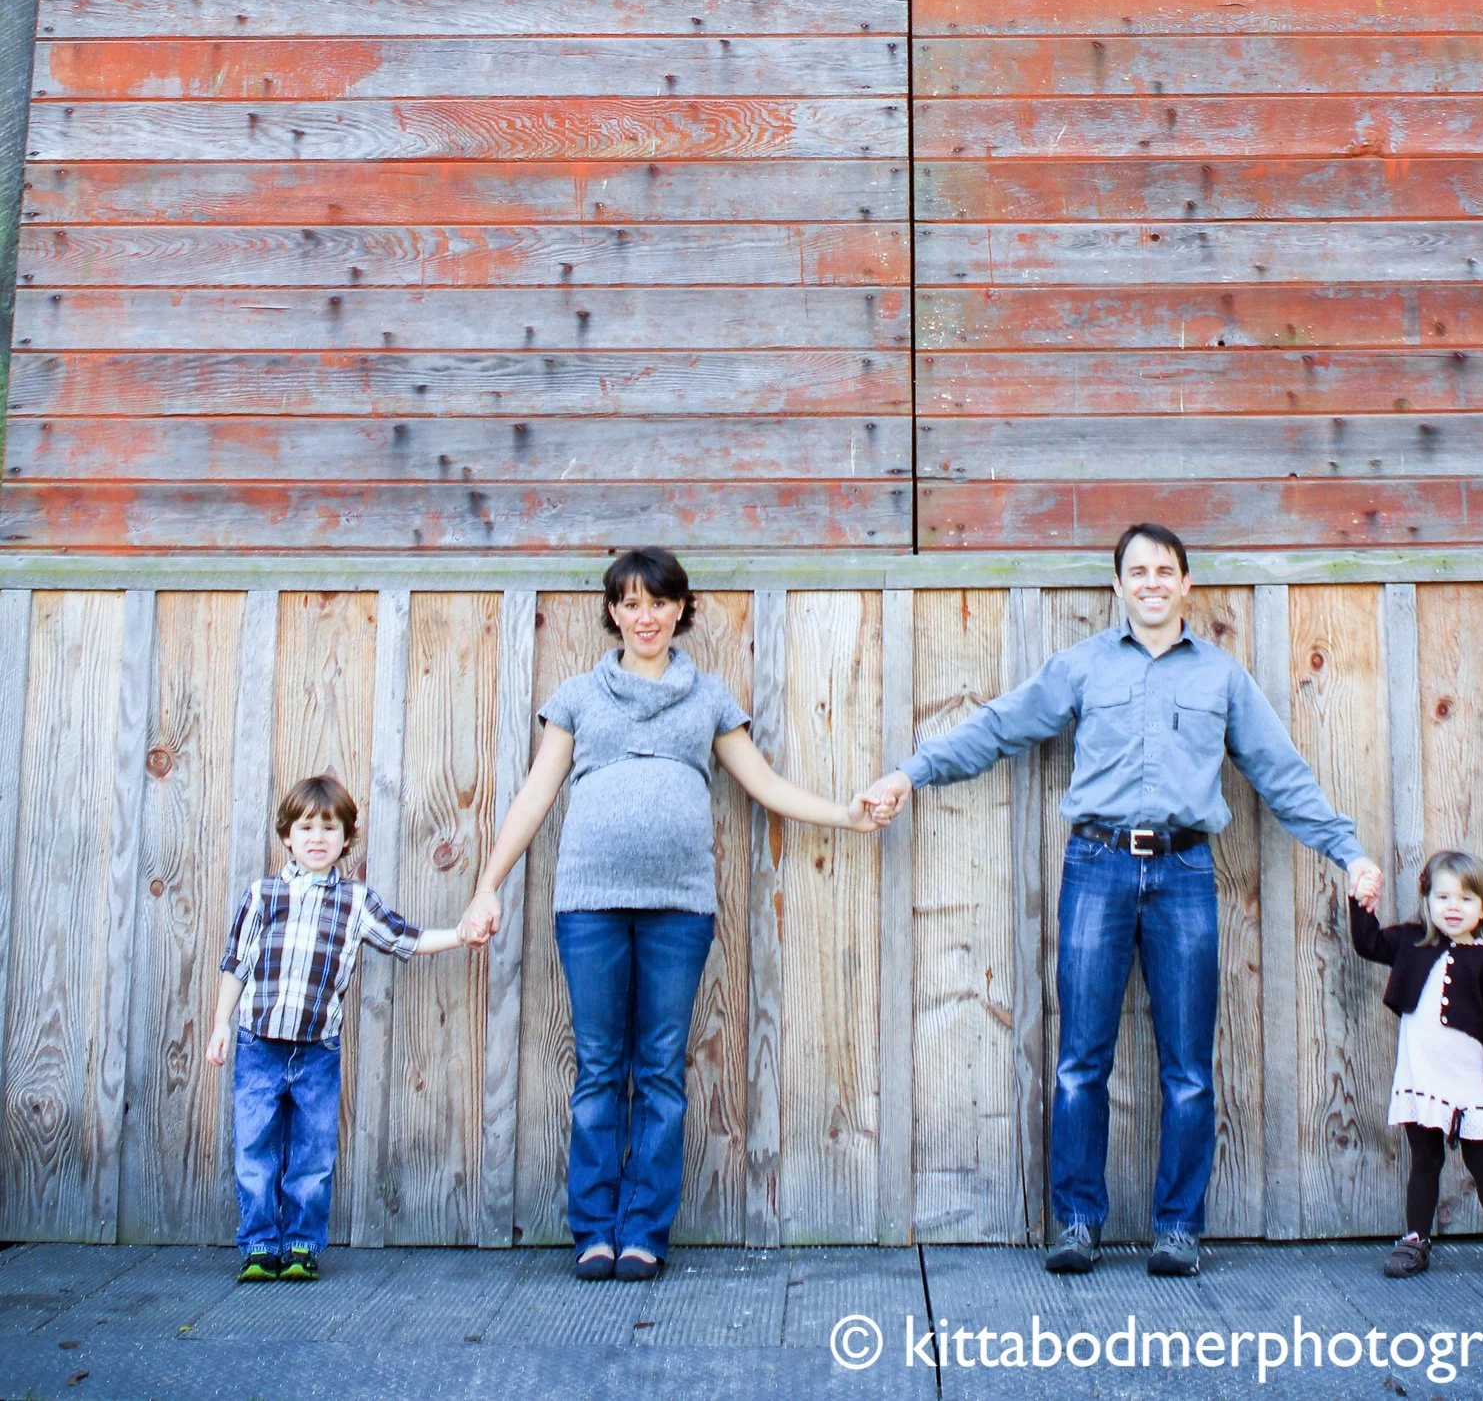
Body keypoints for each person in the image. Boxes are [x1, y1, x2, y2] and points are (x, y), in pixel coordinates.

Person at [864, 521, 1383, 1279]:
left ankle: (1178, 1229)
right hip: (1096, 870)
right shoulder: (1081, 669)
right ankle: (1076, 1223)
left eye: (1163, 571)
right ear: (1116, 586)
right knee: (1080, 1060)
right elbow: (999, 726)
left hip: (1183, 877)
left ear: (1185, 585)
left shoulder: (1221, 679)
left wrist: (1348, 849)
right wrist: (909, 773)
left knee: (1188, 1068)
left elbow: (1281, 773)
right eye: (1135, 572)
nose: (1150, 583)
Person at [459, 546, 877, 1282]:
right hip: (588, 907)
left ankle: (644, 1230)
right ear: (612, 613)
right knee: (596, 1069)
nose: (642, 616)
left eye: (656, 602)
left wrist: (845, 814)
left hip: (679, 911)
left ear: (680, 608)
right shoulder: (578, 698)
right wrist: (487, 884)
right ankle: (593, 1229)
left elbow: (765, 785)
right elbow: (533, 796)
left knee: (658, 1071)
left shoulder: (709, 697)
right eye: (627, 603)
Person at [206, 772, 467, 1283]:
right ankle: (259, 1247)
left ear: (346, 839)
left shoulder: (354, 902)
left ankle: (301, 1245)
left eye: (329, 828)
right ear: (287, 836)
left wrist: (459, 934)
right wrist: (220, 1024)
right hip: (259, 1044)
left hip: (317, 1052)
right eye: (306, 828)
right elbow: (236, 964)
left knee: (313, 1151)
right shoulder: (261, 896)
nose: (317, 838)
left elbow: (404, 939)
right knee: (255, 1148)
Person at [1351, 847, 1483, 1281]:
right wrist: (1361, 902)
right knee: (1424, 1160)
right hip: (1422, 1074)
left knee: (1482, 1162)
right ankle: (1415, 1239)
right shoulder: (1413, 942)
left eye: (1466, 899)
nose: (1453, 907)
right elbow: (1367, 942)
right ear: (1427, 900)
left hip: (1469, 1076)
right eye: (1443, 897)